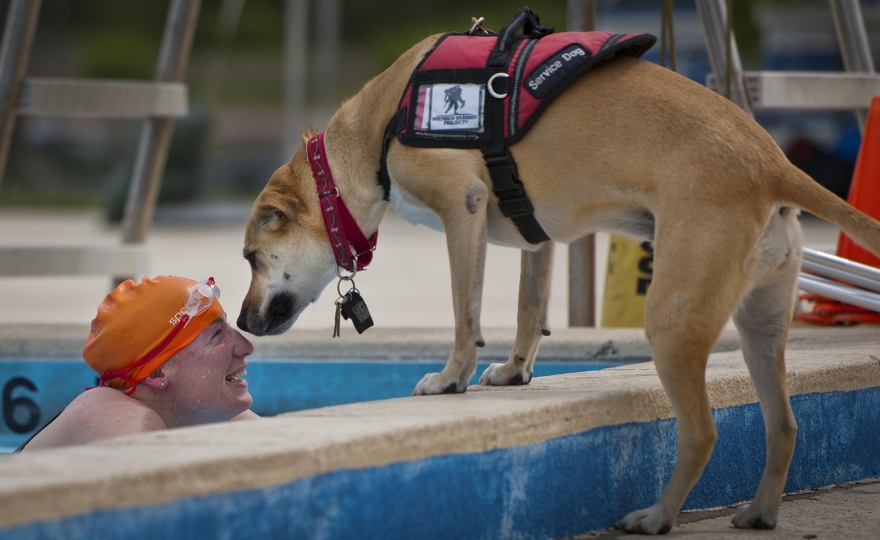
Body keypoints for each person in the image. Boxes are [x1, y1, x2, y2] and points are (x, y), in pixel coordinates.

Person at [18, 275, 259, 452]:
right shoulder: (121, 424)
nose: (246, 347)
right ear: (156, 373)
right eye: (216, 336)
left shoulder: (212, 413)